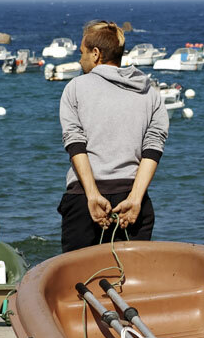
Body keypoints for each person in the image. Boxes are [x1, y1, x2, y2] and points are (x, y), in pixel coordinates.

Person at [58, 19, 168, 252]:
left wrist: (92, 195)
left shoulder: (75, 88)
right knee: (129, 283)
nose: (80, 59)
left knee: (78, 282)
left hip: (84, 201)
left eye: (82, 53)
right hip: (132, 202)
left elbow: (75, 144)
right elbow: (153, 148)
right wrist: (136, 198)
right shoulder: (151, 93)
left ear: (96, 54)